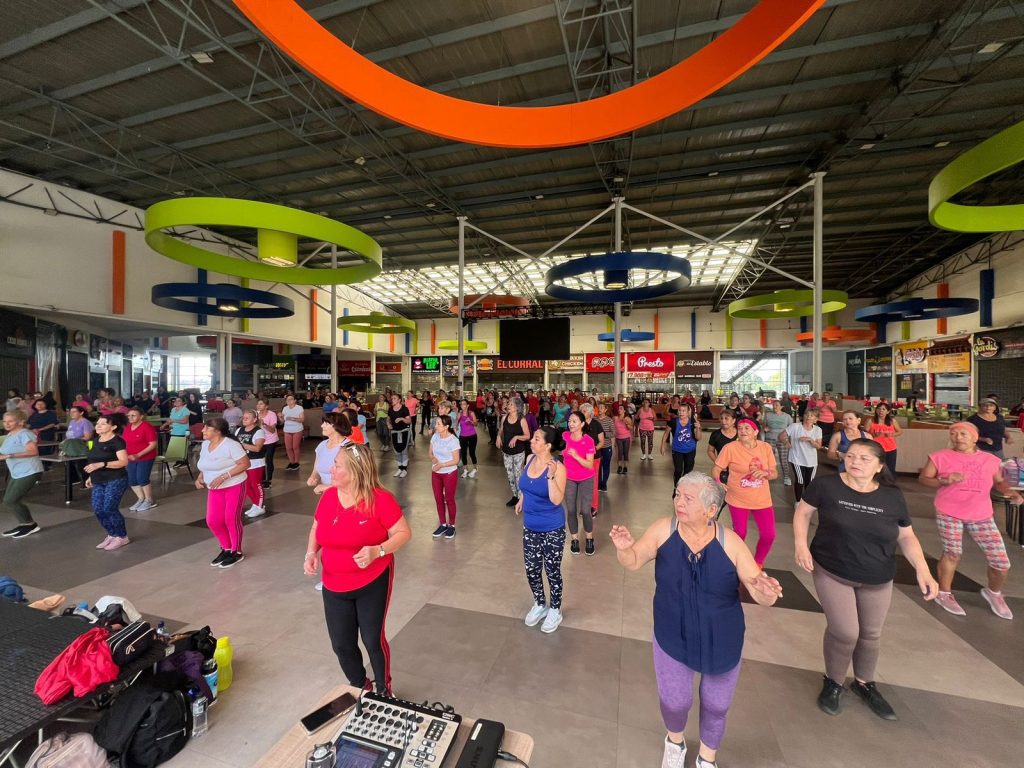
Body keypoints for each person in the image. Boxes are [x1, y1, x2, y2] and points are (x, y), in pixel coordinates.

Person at [610, 472, 782, 768]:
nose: (679, 501)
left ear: (711, 510)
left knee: (717, 705)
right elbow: (634, 560)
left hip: (723, 638)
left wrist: (766, 590)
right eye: (677, 494)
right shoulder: (664, 529)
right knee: (675, 701)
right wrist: (625, 549)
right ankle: (674, 743)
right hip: (672, 632)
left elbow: (760, 591)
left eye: (689, 498)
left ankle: (707, 757)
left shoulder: (731, 542)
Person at [795, 438, 939, 720]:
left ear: (879, 466)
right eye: (851, 456)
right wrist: (800, 544)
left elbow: (906, 535)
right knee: (846, 631)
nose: (855, 462)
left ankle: (864, 682)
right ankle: (834, 681)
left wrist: (923, 570)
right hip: (832, 568)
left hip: (878, 574)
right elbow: (803, 512)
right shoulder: (827, 485)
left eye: (864, 458)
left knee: (871, 634)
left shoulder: (892, 496)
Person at [303, 443, 412, 696]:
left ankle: (385, 690)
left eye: (337, 465)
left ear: (355, 471)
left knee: (373, 640)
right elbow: (316, 529)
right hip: (334, 583)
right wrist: (311, 553)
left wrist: (379, 550)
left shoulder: (380, 500)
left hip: (371, 580)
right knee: (341, 644)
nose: (331, 469)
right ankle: (361, 684)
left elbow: (403, 533)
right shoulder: (329, 496)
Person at [918, 421, 1022, 619]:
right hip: (949, 510)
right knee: (953, 553)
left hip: (981, 513)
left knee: (1001, 561)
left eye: (963, 434)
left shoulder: (990, 460)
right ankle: (944, 593)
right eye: (954, 434)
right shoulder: (940, 456)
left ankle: (994, 593)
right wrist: (943, 480)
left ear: (975, 437)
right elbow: (924, 479)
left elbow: (999, 482)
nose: (958, 437)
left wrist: (1010, 492)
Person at [516, 426, 568, 634]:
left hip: (552, 528)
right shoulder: (529, 459)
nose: (532, 441)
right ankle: (540, 603)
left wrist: (551, 476)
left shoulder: (558, 467)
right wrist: (522, 498)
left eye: (536, 439)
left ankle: (555, 609)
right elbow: (526, 485)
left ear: (547, 446)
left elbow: (556, 500)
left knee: (552, 571)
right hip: (530, 527)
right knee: (532, 569)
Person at [713, 418, 778, 568]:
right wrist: (718, 482)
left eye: (747, 428)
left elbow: (774, 473)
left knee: (769, 534)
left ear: (756, 432)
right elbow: (717, 468)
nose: (742, 431)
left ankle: (758, 563)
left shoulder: (765, 447)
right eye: (740, 428)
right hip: (738, 498)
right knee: (740, 533)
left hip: (762, 499)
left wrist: (765, 473)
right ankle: (732, 561)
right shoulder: (730, 448)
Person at [195, 417, 251, 569]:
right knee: (213, 520)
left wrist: (224, 476)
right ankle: (226, 548)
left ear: (217, 431)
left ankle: (236, 551)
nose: (202, 430)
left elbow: (245, 463)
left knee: (231, 519)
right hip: (214, 488)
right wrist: (200, 477)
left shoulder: (231, 445)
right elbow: (204, 464)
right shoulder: (206, 444)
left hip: (234, 485)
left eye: (206, 428)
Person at [82, 413, 131, 551]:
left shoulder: (117, 441)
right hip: (98, 479)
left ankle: (122, 536)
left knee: (109, 508)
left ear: (113, 427)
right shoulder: (93, 441)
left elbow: (123, 461)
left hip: (116, 478)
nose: (98, 426)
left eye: (103, 424)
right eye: (97, 423)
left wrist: (102, 464)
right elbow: (92, 461)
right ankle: (112, 534)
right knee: (98, 509)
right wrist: (91, 476)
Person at [0, 409, 44, 538]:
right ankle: (24, 524)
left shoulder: (24, 433)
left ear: (20, 422)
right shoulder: (9, 435)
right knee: (9, 501)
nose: (6, 424)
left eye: (10, 421)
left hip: (30, 471)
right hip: (17, 472)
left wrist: (9, 455)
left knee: (10, 500)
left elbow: (33, 451)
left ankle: (30, 524)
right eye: (5, 421)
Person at [562, 411, 597, 556]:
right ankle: (575, 539)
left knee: (585, 510)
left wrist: (576, 456)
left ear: (582, 424)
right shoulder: (564, 437)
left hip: (586, 478)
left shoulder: (588, 440)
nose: (571, 423)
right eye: (569, 421)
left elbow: (589, 465)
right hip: (569, 478)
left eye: (574, 421)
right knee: (570, 510)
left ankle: (589, 538)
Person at [429, 414, 461, 539]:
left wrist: (441, 465)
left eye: (438, 424)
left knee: (449, 499)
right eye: (436, 423)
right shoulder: (435, 437)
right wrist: (432, 458)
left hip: (449, 473)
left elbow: (456, 460)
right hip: (436, 473)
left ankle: (451, 526)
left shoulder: (453, 440)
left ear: (446, 426)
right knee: (438, 499)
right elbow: (430, 452)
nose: (436, 426)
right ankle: (442, 524)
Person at [780, 409, 822, 502]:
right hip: (797, 459)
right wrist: (786, 442)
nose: (809, 417)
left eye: (812, 415)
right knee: (800, 480)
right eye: (807, 414)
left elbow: (819, 446)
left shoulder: (818, 430)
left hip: (811, 460)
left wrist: (810, 440)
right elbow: (781, 436)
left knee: (809, 482)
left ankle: (806, 501)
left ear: (816, 419)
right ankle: (798, 502)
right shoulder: (795, 426)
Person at [662, 402, 701, 493]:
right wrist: (662, 445)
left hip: (690, 450)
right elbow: (666, 433)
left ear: (688, 412)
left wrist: (698, 428)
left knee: (688, 471)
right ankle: (677, 488)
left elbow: (698, 438)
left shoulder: (693, 422)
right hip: (677, 450)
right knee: (678, 470)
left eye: (683, 411)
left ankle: (684, 487)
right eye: (679, 410)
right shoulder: (673, 422)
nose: (681, 412)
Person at [124, 407, 158, 512]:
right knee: (132, 480)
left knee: (142, 478)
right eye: (129, 415)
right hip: (130, 458)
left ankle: (149, 500)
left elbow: (153, 444)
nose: (130, 417)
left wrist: (138, 455)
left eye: (133, 415)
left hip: (145, 457)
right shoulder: (128, 427)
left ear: (141, 416)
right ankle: (141, 499)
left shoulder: (147, 427)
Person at [236, 409, 268, 519]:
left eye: (247, 418)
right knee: (246, 485)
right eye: (243, 417)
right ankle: (255, 504)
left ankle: (260, 506)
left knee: (256, 484)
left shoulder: (259, 431)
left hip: (255, 463)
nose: (244, 419)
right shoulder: (239, 430)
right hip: (243, 463)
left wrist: (242, 444)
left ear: (254, 420)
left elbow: (257, 448)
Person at [308, 412, 349, 495]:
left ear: (337, 426)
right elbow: (316, 467)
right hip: (328, 494)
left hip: (345, 495)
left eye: (326, 423)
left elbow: (355, 478)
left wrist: (328, 487)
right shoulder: (322, 445)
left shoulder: (349, 447)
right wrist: (314, 476)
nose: (322, 426)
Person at [499, 398, 531, 507]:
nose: (508, 406)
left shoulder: (522, 420)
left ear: (517, 407)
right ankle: (515, 496)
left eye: (511, 404)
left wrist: (517, 437)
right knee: (510, 475)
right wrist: (498, 436)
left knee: (518, 475)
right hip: (506, 451)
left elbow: (527, 436)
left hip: (518, 452)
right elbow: (501, 430)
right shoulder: (504, 418)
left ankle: (521, 498)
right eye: (508, 404)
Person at [763, 399, 793, 486]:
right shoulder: (768, 415)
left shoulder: (787, 416)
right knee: (768, 459)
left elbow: (791, 429)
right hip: (769, 438)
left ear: (781, 407)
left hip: (782, 440)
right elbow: (764, 424)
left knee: (783, 459)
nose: (774, 407)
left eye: (776, 405)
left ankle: (786, 477)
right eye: (773, 405)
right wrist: (765, 428)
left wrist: (789, 441)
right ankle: (767, 475)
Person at [868, 402, 902, 473]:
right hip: (875, 449)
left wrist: (892, 435)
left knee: (890, 469)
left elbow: (900, 431)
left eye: (883, 409)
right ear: (876, 410)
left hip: (891, 448)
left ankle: (890, 483)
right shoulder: (870, 421)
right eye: (879, 409)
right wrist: (873, 434)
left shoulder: (892, 421)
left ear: (888, 411)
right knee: (875, 469)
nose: (881, 411)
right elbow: (864, 434)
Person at [386, 393, 412, 478]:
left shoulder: (404, 409)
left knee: (403, 450)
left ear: (399, 400)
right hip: (394, 431)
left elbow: (409, 421)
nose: (392, 400)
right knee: (397, 451)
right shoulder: (390, 409)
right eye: (392, 398)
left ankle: (404, 469)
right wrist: (388, 424)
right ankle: (399, 468)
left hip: (404, 431)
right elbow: (388, 419)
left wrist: (401, 418)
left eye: (394, 398)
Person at [256, 398, 279, 488]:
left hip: (270, 440)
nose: (258, 406)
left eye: (261, 404)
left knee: (268, 460)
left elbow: (272, 430)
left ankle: (268, 480)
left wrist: (264, 424)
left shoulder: (272, 414)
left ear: (266, 406)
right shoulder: (256, 414)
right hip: (259, 440)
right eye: (258, 404)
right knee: (260, 460)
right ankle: (261, 478)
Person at [455, 399, 479, 479]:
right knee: (463, 453)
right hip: (463, 436)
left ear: (467, 405)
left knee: (472, 453)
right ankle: (465, 470)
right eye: (461, 404)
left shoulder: (471, 413)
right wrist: (455, 426)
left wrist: (471, 421)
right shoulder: (459, 414)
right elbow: (456, 422)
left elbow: (476, 424)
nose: (462, 406)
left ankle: (475, 468)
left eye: (464, 404)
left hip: (472, 435)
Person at [281, 394, 305, 470]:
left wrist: (292, 418)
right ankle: (291, 462)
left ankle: (296, 462)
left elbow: (302, 419)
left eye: (290, 399)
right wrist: (280, 417)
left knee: (295, 447)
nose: (288, 401)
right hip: (287, 429)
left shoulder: (299, 408)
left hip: (297, 429)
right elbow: (282, 421)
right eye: (287, 399)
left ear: (295, 400)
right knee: (288, 448)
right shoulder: (285, 408)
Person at [595, 403, 615, 493]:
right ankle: (598, 483)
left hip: (606, 446)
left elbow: (613, 433)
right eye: (598, 407)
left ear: (605, 410)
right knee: (598, 466)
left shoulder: (609, 420)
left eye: (602, 408)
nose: (600, 409)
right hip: (597, 447)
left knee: (606, 466)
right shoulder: (594, 420)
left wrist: (604, 435)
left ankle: (604, 484)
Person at [613, 404, 633, 475]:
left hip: (626, 438)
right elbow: (613, 428)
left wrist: (627, 425)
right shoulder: (615, 418)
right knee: (619, 453)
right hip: (618, 438)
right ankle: (619, 466)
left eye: (621, 408)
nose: (619, 410)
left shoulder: (627, 418)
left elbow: (631, 428)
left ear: (624, 410)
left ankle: (625, 467)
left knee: (625, 453)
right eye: (618, 409)